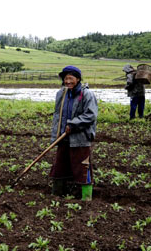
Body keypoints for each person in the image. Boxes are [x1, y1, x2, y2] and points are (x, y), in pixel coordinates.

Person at [49, 66, 98, 201]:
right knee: (60, 166)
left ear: (78, 79)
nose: (68, 81)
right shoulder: (61, 94)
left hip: (80, 137)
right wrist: (55, 137)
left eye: (71, 78)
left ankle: (86, 198)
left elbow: (91, 115)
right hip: (63, 137)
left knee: (82, 166)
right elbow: (57, 116)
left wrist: (73, 124)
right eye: (65, 79)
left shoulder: (87, 94)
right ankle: (57, 195)